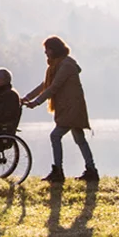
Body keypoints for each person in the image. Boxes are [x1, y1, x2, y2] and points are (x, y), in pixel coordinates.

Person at [24, 35, 96, 182]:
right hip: (69, 108)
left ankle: (58, 171)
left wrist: (36, 102)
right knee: (79, 139)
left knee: (55, 136)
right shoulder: (57, 65)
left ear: (54, 49)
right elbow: (45, 84)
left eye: (47, 49)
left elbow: (54, 87)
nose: (45, 53)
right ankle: (91, 170)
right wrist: (27, 98)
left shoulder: (66, 65)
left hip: (71, 108)